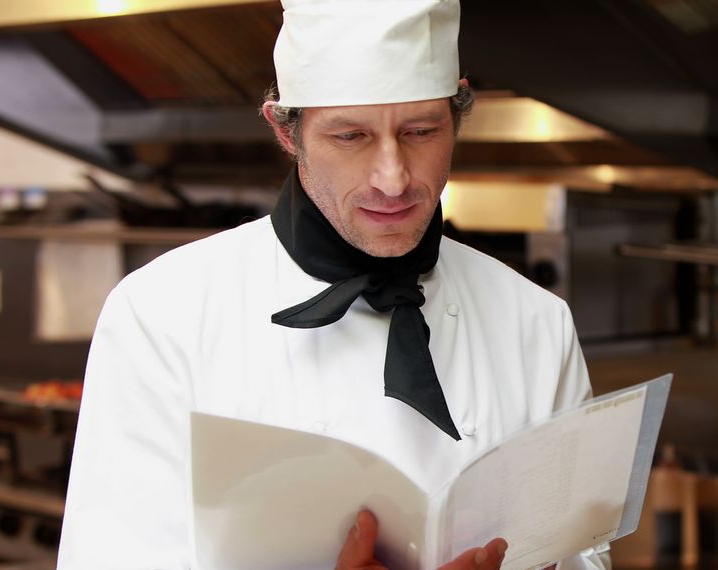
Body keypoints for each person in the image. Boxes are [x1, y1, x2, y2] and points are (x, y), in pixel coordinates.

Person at [58, 0, 608, 568]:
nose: (392, 178)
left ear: (459, 114)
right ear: (285, 130)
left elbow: (585, 548)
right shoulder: (162, 314)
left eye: (422, 131)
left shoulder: (535, 320)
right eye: (350, 137)